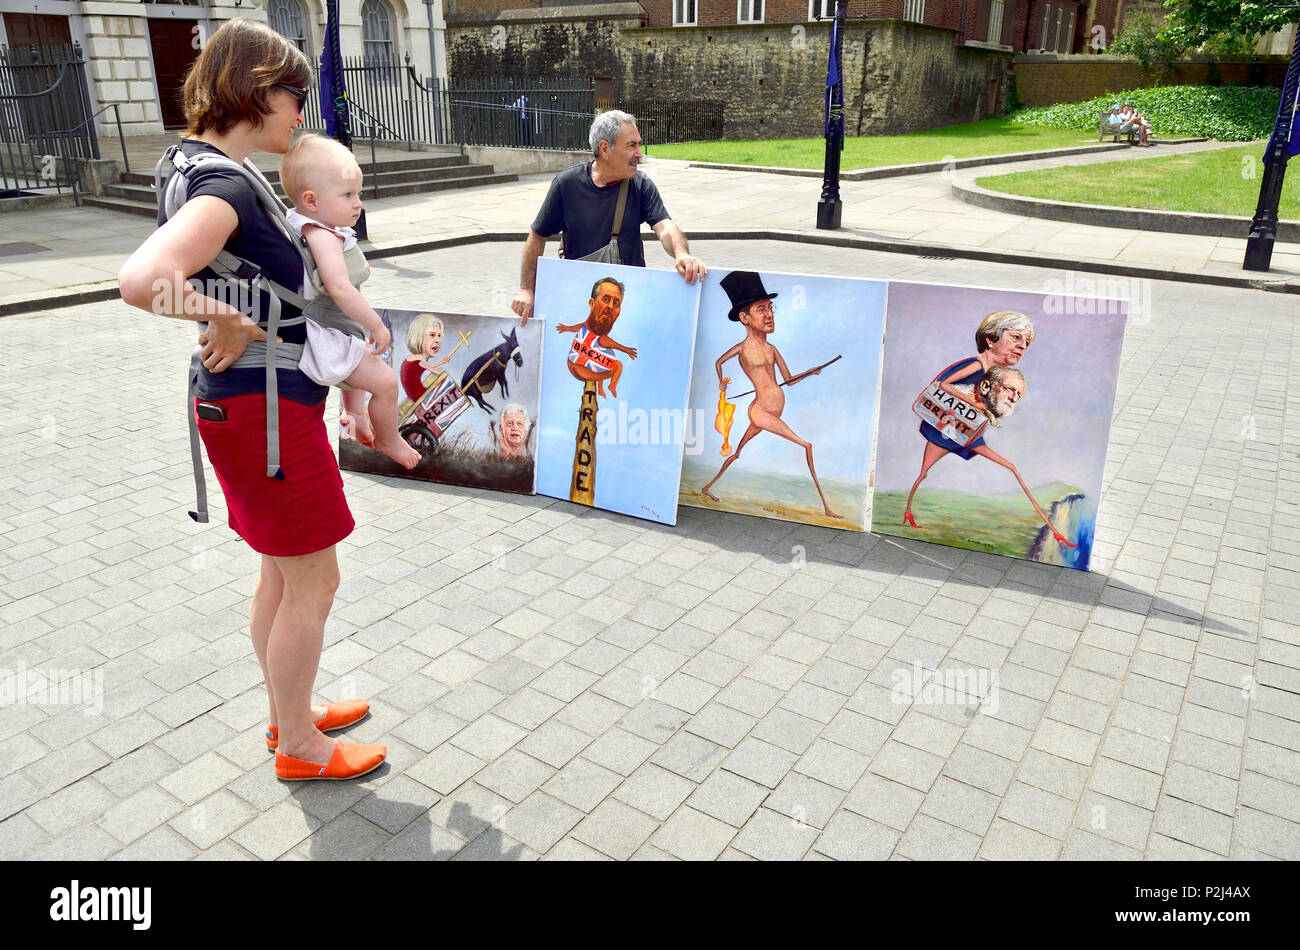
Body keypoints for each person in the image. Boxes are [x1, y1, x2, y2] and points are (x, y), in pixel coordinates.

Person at [117, 18, 385, 782]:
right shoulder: (227, 183)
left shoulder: (186, 162)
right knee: (314, 579)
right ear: (258, 89)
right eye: (295, 95)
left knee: (280, 570)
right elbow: (140, 281)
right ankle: (299, 746)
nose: (302, 112)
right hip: (263, 408)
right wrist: (220, 314)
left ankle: (288, 715)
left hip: (244, 403)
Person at [280, 133, 419, 469]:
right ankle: (388, 437)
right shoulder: (321, 234)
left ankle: (355, 415)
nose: (358, 203)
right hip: (325, 328)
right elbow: (340, 289)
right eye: (347, 195)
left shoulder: (317, 224)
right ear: (311, 200)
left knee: (359, 367)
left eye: (358, 193)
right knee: (385, 382)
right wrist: (375, 324)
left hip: (336, 324)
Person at [510, 109, 705, 324]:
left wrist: (681, 253)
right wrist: (527, 290)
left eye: (639, 145)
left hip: (629, 302)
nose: (639, 153)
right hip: (580, 301)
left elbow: (665, 227)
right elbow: (537, 236)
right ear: (604, 148)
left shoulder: (640, 185)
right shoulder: (567, 185)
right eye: (631, 145)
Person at [901, 311, 1076, 548]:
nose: (1022, 346)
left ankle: (1055, 533)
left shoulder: (994, 374)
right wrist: (975, 404)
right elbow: (942, 384)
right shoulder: (976, 365)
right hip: (948, 432)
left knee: (1009, 468)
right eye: (1016, 338)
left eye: (1026, 343)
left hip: (965, 433)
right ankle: (908, 513)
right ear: (991, 339)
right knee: (926, 472)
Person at [700, 271, 840, 519]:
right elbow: (718, 362)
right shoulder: (743, 348)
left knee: (738, 453)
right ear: (744, 318)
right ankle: (827, 508)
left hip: (771, 409)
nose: (769, 314)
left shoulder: (772, 349)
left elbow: (789, 380)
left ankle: (707, 487)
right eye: (761, 309)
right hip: (761, 410)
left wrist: (810, 372)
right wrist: (721, 386)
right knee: (806, 445)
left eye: (770, 308)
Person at [555, 276, 637, 398]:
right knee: (617, 365)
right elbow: (605, 341)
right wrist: (626, 349)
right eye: (605, 299)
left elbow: (580, 328)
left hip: (574, 364)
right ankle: (612, 386)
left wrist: (566, 328)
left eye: (616, 303)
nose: (610, 306)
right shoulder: (600, 337)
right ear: (592, 303)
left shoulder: (585, 328)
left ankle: (601, 389)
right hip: (581, 368)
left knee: (603, 360)